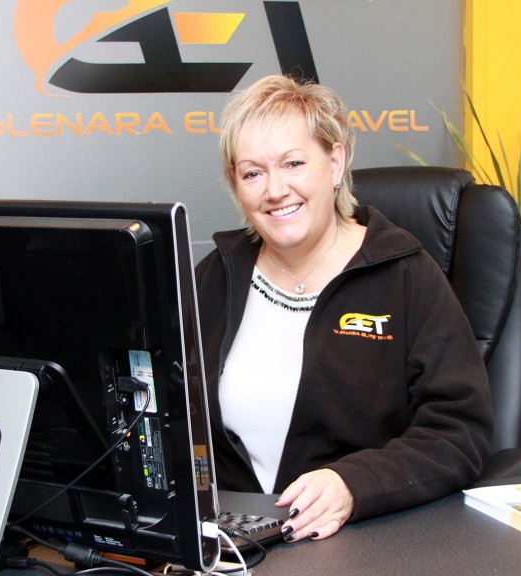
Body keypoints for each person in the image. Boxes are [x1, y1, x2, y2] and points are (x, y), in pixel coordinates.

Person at [195, 75, 494, 543]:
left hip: (360, 539)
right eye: (252, 173)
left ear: (335, 163)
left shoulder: (406, 275)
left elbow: (459, 433)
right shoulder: (215, 274)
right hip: (233, 540)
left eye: (293, 163)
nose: (275, 189)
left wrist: (354, 485)